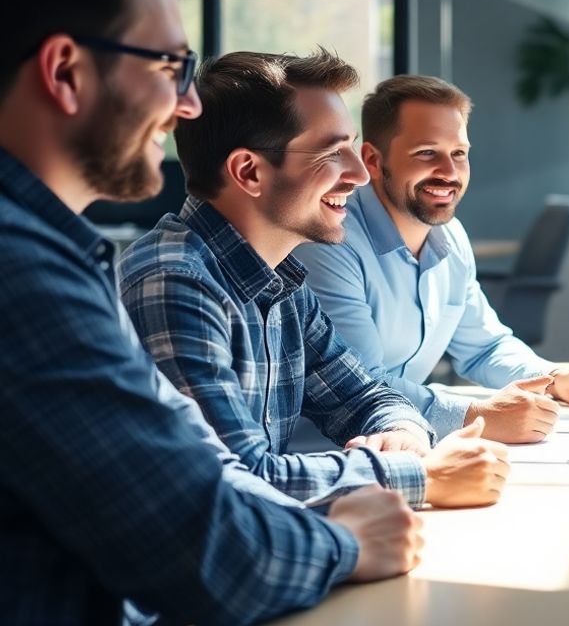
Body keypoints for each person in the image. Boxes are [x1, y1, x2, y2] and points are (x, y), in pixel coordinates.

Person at [0, 0, 419, 624]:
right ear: (66, 72)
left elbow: (206, 473)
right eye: (169, 66)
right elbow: (202, 548)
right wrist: (342, 539)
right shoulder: (21, 273)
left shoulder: (59, 256)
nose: (187, 106)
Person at [119, 50, 510, 510]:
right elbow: (234, 480)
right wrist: (418, 475)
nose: (362, 174)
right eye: (333, 152)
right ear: (249, 171)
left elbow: (365, 393)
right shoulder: (174, 282)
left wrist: (400, 433)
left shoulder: (280, 280)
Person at [294, 75, 569, 443]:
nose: (449, 172)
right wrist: (476, 415)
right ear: (373, 159)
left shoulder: (450, 237)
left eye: (458, 153)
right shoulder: (331, 243)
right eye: (426, 153)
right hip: (324, 457)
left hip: (406, 445)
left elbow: (484, 346)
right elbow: (361, 382)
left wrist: (554, 380)